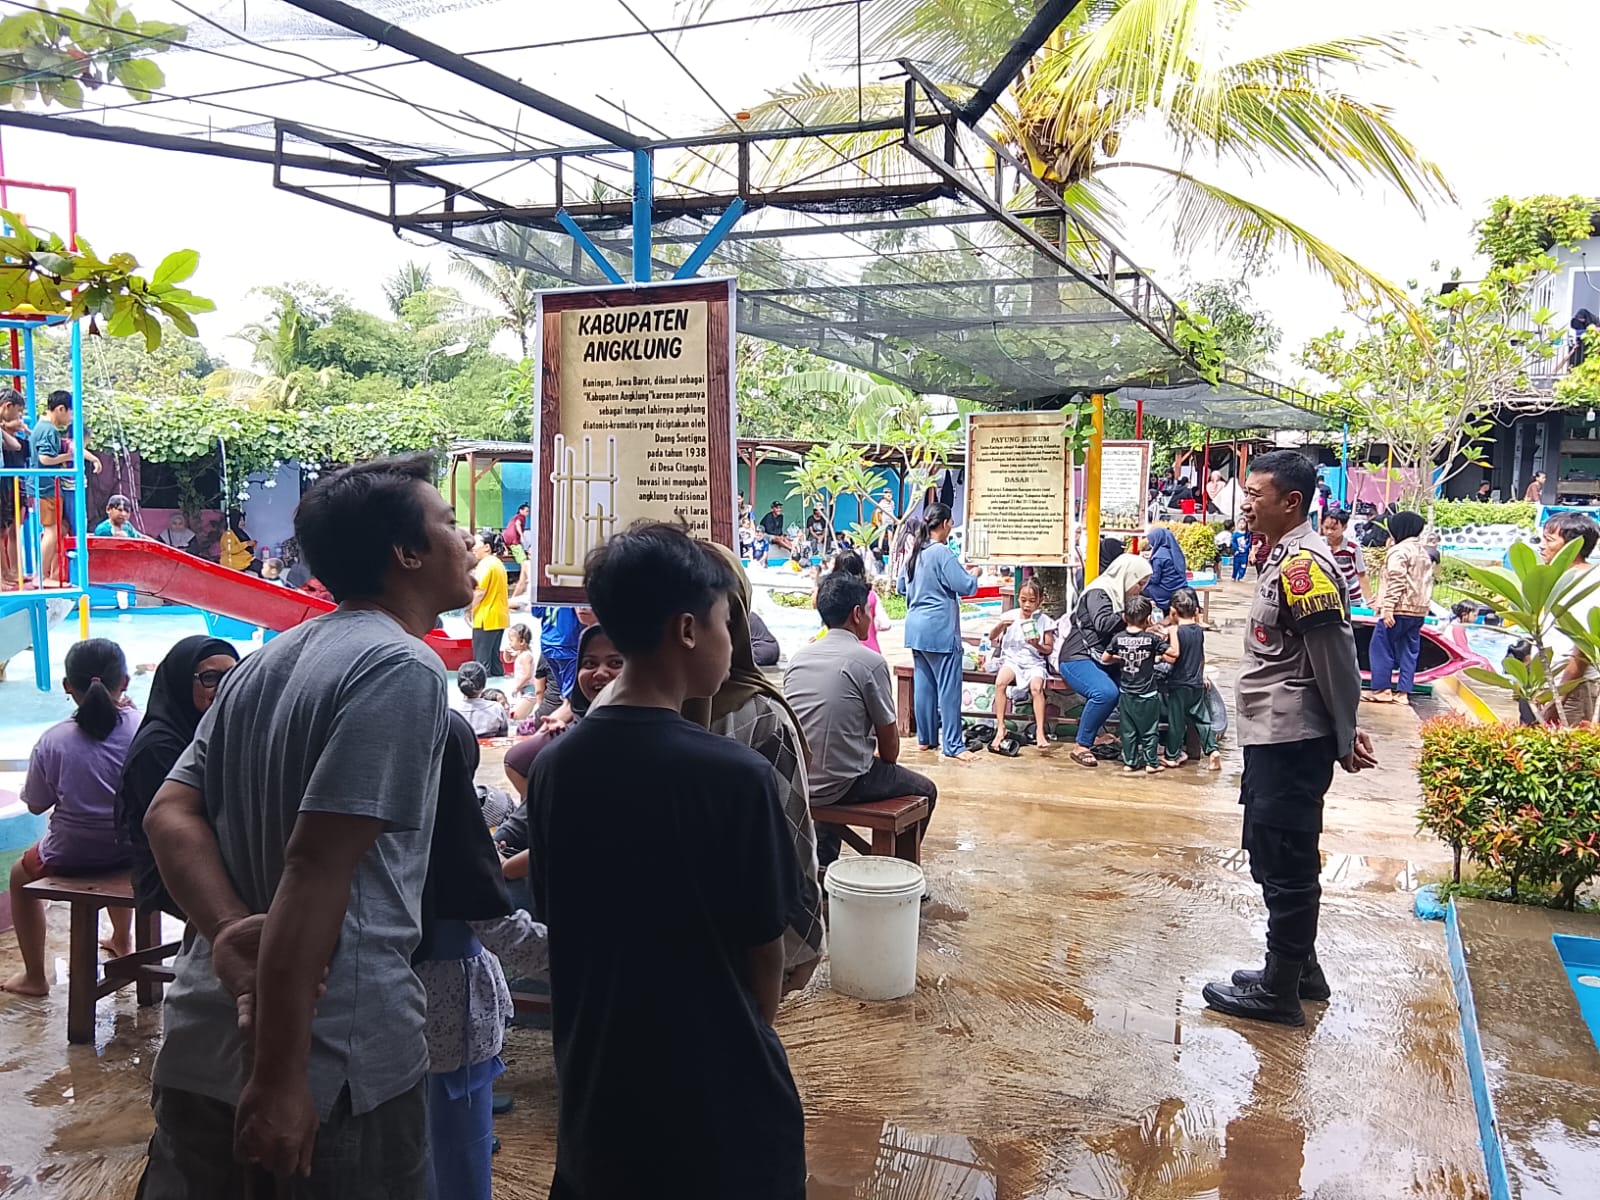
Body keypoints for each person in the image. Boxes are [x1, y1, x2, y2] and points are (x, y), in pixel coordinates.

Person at [137, 453, 475, 1194]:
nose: (467, 540)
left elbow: (170, 811)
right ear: (407, 553)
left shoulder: (266, 660)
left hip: (202, 1043)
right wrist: (281, 1077)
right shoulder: (401, 666)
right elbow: (317, 864)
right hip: (328, 1069)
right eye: (450, 523)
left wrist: (229, 931)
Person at [528, 521, 806, 1199]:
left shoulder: (556, 768)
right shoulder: (735, 777)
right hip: (719, 1105)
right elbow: (766, 954)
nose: (731, 641)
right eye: (723, 623)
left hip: (600, 1100)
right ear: (687, 630)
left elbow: (557, 917)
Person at [1203, 450, 1374, 1026]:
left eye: (1255, 495)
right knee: (1270, 848)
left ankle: (1279, 990)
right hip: (1272, 732)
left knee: (1286, 859)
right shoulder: (1280, 556)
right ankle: (1301, 970)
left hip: (1292, 736)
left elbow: (1336, 658)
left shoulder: (1304, 568)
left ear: (1291, 502)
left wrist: (1346, 733)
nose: (1245, 504)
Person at [415, 710, 548, 1200]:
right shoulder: (456, 835)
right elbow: (506, 934)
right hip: (455, 1022)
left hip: (391, 1014)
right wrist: (594, 956)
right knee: (457, 1147)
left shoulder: (371, 830)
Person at [689, 544, 824, 994]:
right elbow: (794, 838)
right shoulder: (759, 717)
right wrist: (804, 944)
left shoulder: (613, 714)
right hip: (737, 943)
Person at [2, 639, 139, 996]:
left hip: (71, 856)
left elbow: (36, 805)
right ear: (124, 682)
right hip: (134, 852)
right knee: (119, 841)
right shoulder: (143, 727)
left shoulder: (53, 740)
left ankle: (35, 977)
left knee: (19, 876)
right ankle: (122, 939)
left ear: (67, 686)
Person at [787, 570, 937, 869]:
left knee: (838, 764)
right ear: (857, 614)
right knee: (925, 789)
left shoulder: (799, 659)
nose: (870, 617)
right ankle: (896, 871)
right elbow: (890, 750)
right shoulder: (869, 662)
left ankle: (823, 864)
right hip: (839, 784)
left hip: (799, 780)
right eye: (868, 611)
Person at [117, 637, 239, 919]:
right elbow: (173, 832)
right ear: (183, 681)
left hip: (215, 853)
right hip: (169, 867)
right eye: (210, 678)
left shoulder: (217, 730)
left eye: (233, 676)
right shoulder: (160, 746)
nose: (223, 687)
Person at [898, 502, 980, 760]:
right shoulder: (942, 553)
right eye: (950, 524)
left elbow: (901, 587)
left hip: (915, 628)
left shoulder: (915, 553)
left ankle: (926, 739)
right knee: (948, 688)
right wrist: (975, 574)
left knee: (924, 685)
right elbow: (965, 586)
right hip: (940, 629)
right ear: (944, 524)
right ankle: (954, 745)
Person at [1056, 554, 1153, 769]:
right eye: (1139, 583)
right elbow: (1103, 623)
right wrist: (1131, 614)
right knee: (1105, 693)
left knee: (1137, 688)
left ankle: (1137, 744)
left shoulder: (1121, 595)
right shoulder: (1099, 592)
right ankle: (1082, 745)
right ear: (1128, 577)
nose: (1140, 589)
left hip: (1106, 659)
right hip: (1078, 657)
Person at [1539, 510, 1600, 725]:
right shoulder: (1560, 577)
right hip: (1550, 683)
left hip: (1572, 688)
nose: (1541, 546)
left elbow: (1582, 647)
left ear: (1572, 546)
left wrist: (1559, 699)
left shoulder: (1589, 583)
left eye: (1549, 540)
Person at [1367, 511, 1433, 705]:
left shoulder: (1399, 551)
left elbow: (1397, 579)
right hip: (1418, 610)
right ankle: (1403, 693)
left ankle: (1382, 689)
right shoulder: (1423, 553)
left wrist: (1388, 607)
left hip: (1398, 609)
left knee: (1381, 647)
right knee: (1409, 652)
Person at [1101, 594, 1168, 774]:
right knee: (1149, 729)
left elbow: (1105, 658)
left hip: (1126, 693)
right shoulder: (1152, 639)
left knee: (1128, 730)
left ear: (1124, 617)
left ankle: (1129, 762)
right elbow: (1172, 654)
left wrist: (1121, 658)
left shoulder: (1118, 638)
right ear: (1148, 618)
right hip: (1147, 694)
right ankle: (1151, 763)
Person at [30, 391, 90, 584]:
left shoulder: (42, 427)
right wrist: (68, 457)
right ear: (61, 409)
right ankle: (41, 576)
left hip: (45, 486)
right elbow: (45, 459)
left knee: (59, 528)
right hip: (46, 487)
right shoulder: (49, 430)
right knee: (51, 531)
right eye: (71, 412)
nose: (71, 417)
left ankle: (49, 574)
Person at [986, 579, 1054, 752]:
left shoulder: (1044, 621)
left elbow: (1048, 648)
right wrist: (1001, 625)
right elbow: (991, 637)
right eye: (1023, 600)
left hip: (1034, 662)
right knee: (1000, 683)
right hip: (1013, 660)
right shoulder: (1010, 616)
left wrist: (1037, 645)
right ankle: (1001, 727)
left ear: (1040, 601)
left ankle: (1040, 731)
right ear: (1018, 598)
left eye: (1032, 601)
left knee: (1037, 688)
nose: (1027, 605)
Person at [1163, 588, 1220, 770]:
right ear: (1195, 611)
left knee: (1176, 722)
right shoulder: (1198, 630)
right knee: (1202, 719)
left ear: (1173, 612)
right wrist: (1202, 676)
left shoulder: (1175, 630)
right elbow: (1201, 656)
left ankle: (1173, 756)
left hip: (1179, 684)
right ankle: (1212, 750)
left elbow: (1173, 655)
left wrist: (1158, 653)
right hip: (1196, 683)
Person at [829, 549, 889, 653]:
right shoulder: (870, 595)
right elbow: (885, 624)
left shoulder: (833, 597)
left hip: (840, 652)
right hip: (870, 651)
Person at [468, 530, 510, 679]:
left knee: (482, 664)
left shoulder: (485, 564)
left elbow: (480, 591)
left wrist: (469, 609)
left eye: (476, 543)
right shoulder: (498, 563)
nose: (473, 547)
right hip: (499, 618)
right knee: (495, 663)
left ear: (486, 547)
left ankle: (482, 692)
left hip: (486, 618)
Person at [1, 387, 28, 586]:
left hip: (7, 482)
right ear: (7, 406)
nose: (19, 417)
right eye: (17, 412)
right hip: (5, 480)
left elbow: (17, 446)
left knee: (5, 530)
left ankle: (7, 573)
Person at [1319, 509, 1369, 606]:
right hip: (1326, 596)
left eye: (1334, 529)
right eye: (1326, 528)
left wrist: (1369, 600)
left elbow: (1361, 574)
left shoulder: (1353, 547)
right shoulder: (1319, 545)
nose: (1329, 532)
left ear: (1344, 527)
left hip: (1351, 596)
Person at [451, 662, 510, 737]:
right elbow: (504, 735)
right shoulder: (496, 709)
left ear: (459, 685)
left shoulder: (450, 711)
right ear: (484, 685)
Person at [1142, 526, 1189, 614]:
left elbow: (1155, 579)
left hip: (1166, 590)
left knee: (1142, 590)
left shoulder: (1158, 556)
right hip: (1179, 586)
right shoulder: (1175, 551)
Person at [503, 623, 539, 719]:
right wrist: (506, 652)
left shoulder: (526, 656)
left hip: (529, 691)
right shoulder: (520, 653)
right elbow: (508, 660)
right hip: (523, 689)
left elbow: (528, 675)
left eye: (511, 640)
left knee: (516, 716)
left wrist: (517, 688)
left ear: (522, 641)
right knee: (517, 716)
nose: (510, 643)